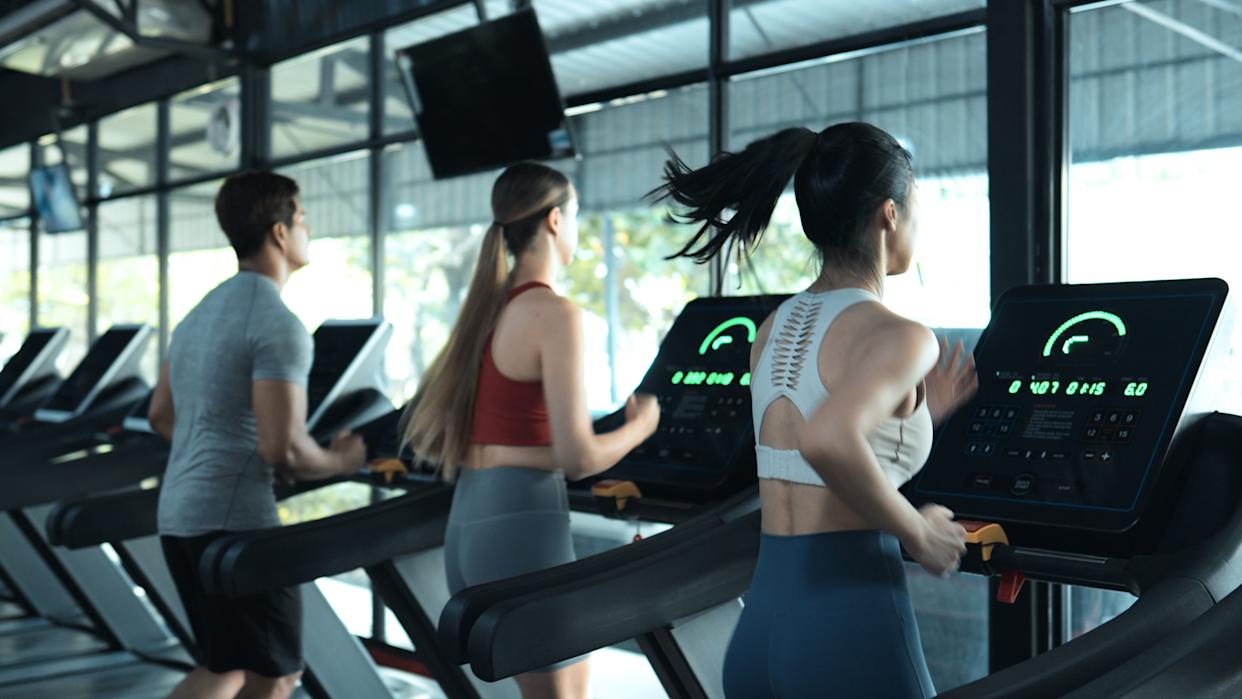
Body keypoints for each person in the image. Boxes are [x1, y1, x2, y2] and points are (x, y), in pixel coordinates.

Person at [654, 123, 977, 698]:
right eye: (918, 206)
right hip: (849, 632)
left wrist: (926, 413)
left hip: (761, 637)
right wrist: (920, 534)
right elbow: (827, 440)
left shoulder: (772, 329)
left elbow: (815, 450)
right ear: (889, 215)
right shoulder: (905, 338)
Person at [403, 161, 661, 699]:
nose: (575, 228)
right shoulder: (553, 312)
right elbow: (579, 456)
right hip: (521, 529)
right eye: (575, 215)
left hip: (472, 525)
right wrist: (641, 427)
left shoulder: (486, 309)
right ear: (552, 221)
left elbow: (511, 443)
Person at [148, 171, 367, 699]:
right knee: (275, 673)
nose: (308, 230)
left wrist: (219, 452)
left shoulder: (200, 314)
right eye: (304, 219)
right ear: (279, 232)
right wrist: (345, 460)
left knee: (227, 664)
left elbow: (160, 414)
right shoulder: (277, 322)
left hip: (180, 513)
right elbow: (282, 447)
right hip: (233, 522)